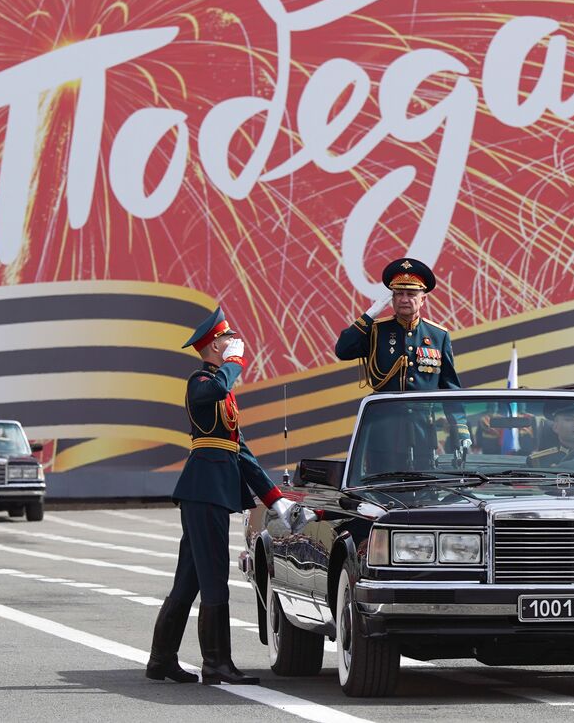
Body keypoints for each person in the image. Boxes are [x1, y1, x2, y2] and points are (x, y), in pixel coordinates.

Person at [148, 307, 314, 687]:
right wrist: (235, 360)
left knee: (189, 579)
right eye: (226, 339)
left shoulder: (222, 393)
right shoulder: (201, 381)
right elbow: (219, 386)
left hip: (210, 491)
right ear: (213, 345)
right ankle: (217, 664)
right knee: (213, 578)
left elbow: (241, 451)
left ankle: (160, 660)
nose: (233, 342)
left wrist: (276, 499)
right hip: (203, 491)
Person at [335, 258, 463, 393]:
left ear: (422, 300)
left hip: (422, 413)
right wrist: (369, 316)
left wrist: (458, 415)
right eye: (399, 294)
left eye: (411, 294)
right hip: (386, 412)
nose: (404, 299)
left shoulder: (438, 335)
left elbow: (449, 386)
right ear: (392, 298)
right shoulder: (376, 331)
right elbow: (343, 351)